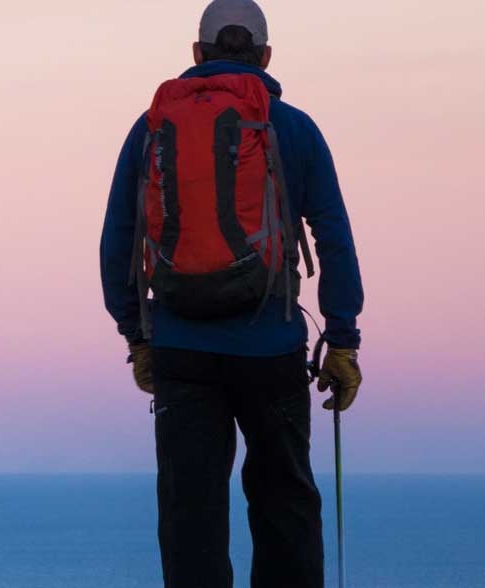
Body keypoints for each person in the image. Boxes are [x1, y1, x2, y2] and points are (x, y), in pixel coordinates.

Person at [98, 1, 365, 586]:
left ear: (197, 54)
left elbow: (117, 242)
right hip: (270, 347)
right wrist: (342, 340)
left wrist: (137, 337)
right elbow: (334, 238)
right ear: (266, 57)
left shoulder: (149, 130)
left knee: (190, 513)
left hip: (181, 351)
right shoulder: (293, 127)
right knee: (283, 505)